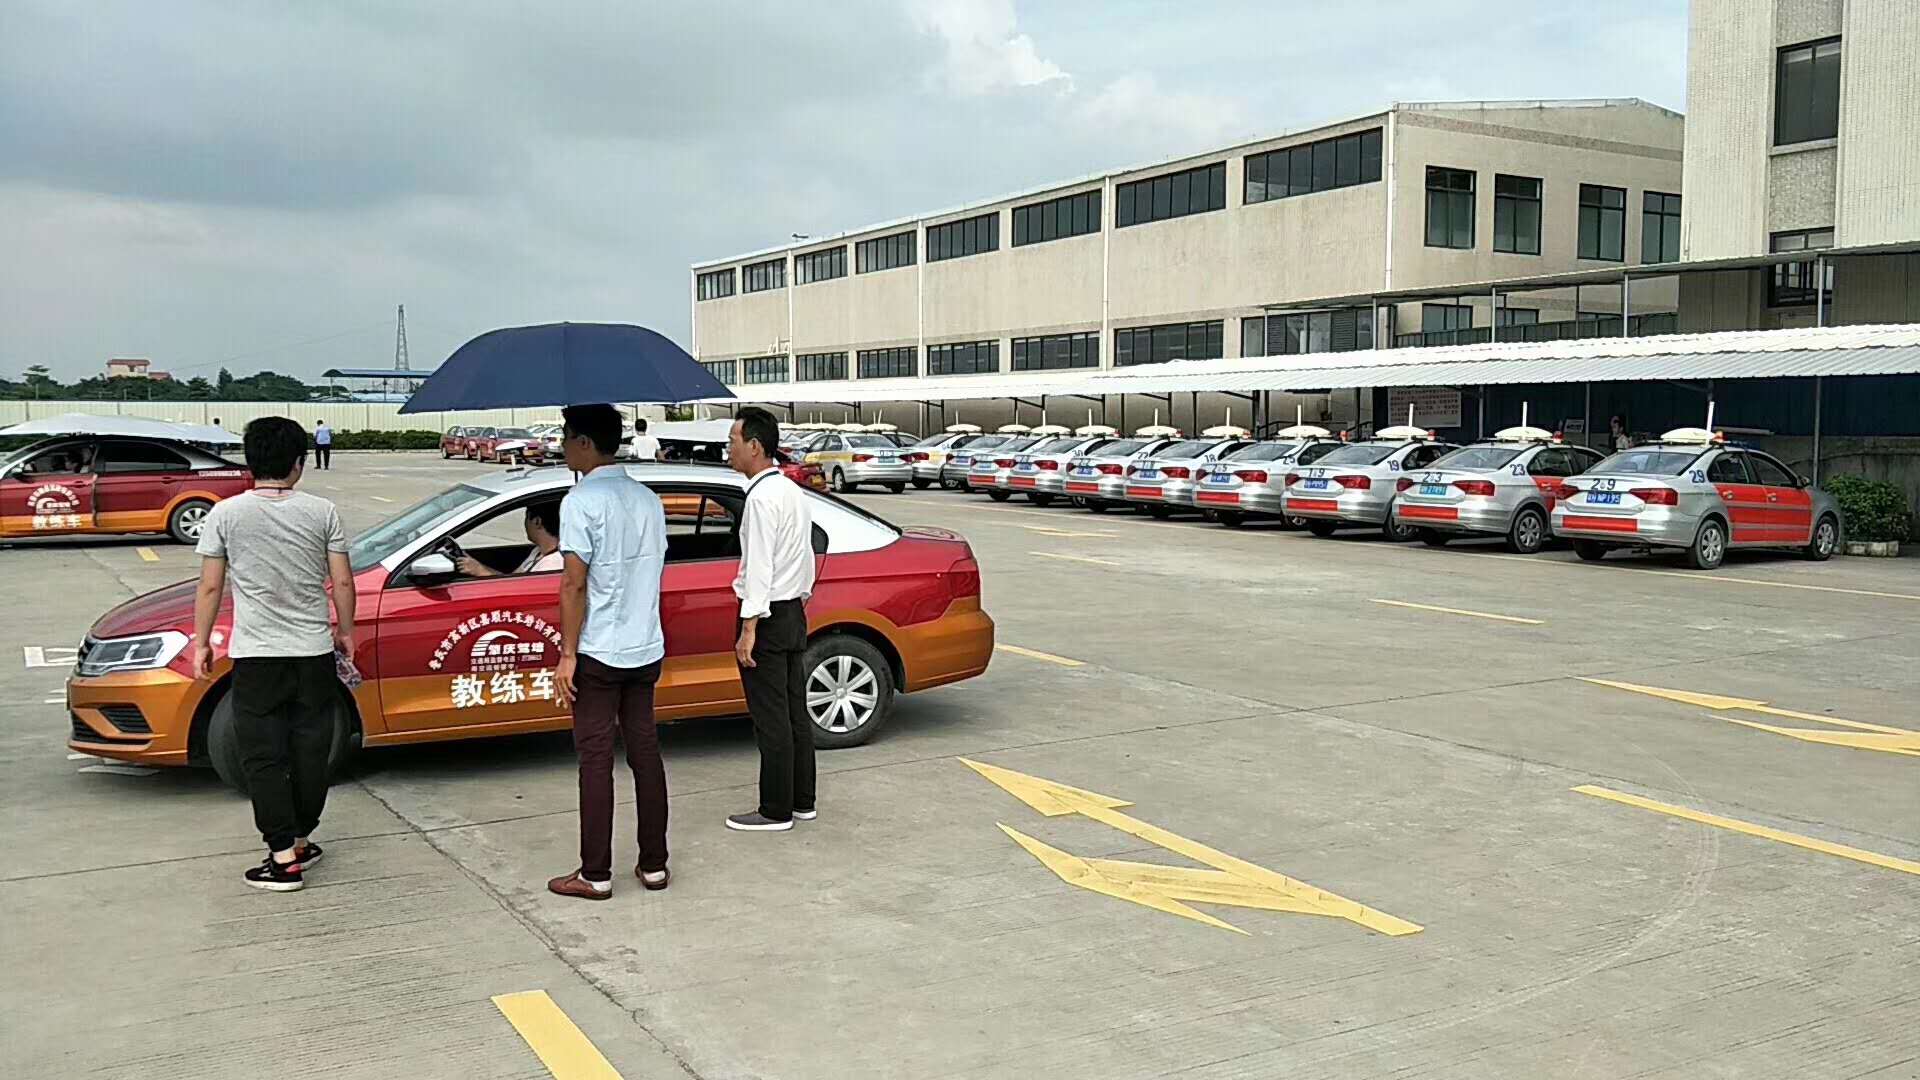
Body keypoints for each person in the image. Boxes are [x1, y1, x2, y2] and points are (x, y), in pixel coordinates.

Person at [190, 417, 353, 892]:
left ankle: (282, 857)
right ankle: (301, 839)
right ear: (299, 463)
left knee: (263, 755)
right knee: (310, 748)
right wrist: (345, 631)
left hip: (257, 656)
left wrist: (201, 643)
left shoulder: (226, 514)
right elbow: (342, 581)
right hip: (312, 652)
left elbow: (210, 586)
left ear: (250, 461)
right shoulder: (323, 512)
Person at [548, 404, 670, 900]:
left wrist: (567, 654)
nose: (560, 446)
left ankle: (595, 873)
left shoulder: (580, 502)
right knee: (645, 752)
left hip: (599, 650)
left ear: (582, 443)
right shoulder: (648, 500)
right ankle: (654, 864)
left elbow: (573, 584)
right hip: (645, 645)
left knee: (595, 759)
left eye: (564, 437)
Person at [725, 406, 817, 833]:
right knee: (794, 710)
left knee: (771, 715)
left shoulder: (760, 498)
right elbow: (804, 556)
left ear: (755, 446)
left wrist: (749, 627)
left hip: (767, 616)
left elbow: (759, 567)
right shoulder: (790, 491)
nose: (729, 449)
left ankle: (775, 810)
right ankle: (802, 800)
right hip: (791, 610)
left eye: (733, 441)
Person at [457, 503, 564, 577]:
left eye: (526, 518)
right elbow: (510, 579)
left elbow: (520, 592)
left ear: (537, 522)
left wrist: (480, 571)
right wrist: (478, 568)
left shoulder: (552, 564)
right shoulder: (538, 552)